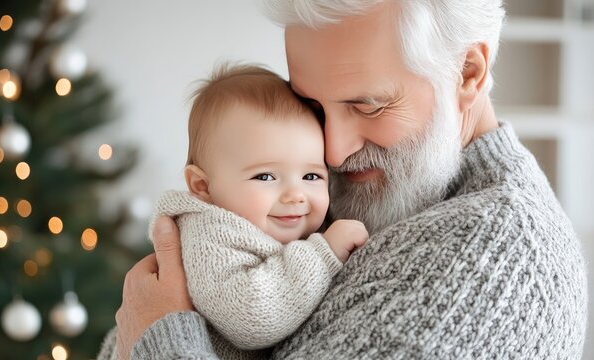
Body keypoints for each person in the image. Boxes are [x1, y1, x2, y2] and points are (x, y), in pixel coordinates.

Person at [106, 1, 588, 359]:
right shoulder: (362, 184)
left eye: (367, 105)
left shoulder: (496, 263)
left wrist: (159, 332)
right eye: (313, 106)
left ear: (467, 73)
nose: (333, 152)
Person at [97, 63, 368, 360]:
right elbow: (251, 316)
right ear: (203, 186)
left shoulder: (285, 224)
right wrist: (323, 254)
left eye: (312, 176)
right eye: (265, 177)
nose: (295, 195)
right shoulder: (209, 235)